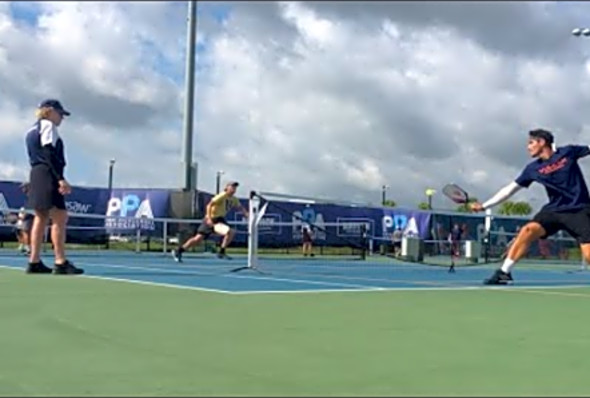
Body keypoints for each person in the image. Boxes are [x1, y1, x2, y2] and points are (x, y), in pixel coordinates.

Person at [471, 128, 590, 285]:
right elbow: (509, 190)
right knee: (527, 230)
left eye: (531, 143)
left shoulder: (568, 152)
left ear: (542, 142)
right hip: (553, 210)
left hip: (578, 210)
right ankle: (504, 273)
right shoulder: (532, 169)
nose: (528, 147)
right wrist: (485, 205)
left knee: (588, 256)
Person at [25, 99, 83, 275]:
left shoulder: (30, 130)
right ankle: (60, 261)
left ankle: (34, 261)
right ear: (49, 111)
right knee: (59, 216)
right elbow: (48, 152)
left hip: (36, 172)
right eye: (60, 114)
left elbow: (36, 156)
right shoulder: (48, 126)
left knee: (40, 217)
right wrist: (60, 178)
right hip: (48, 173)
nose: (61, 118)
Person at [172, 181, 248, 262]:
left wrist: (247, 215)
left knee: (230, 231)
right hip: (211, 219)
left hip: (219, 220)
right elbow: (209, 205)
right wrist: (209, 218)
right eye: (232, 187)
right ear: (227, 187)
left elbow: (240, 208)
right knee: (197, 239)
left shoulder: (234, 199)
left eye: (235, 188)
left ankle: (221, 252)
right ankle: (179, 251)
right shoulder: (222, 195)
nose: (234, 189)